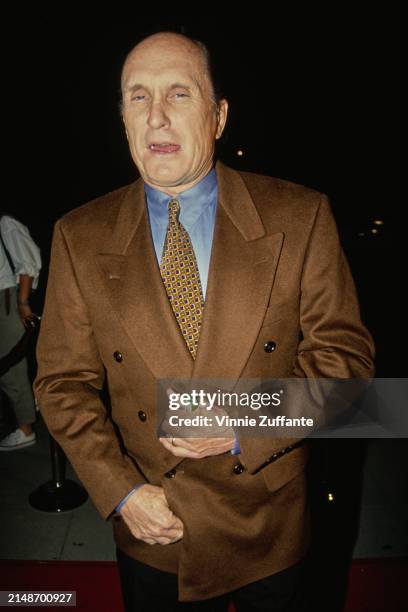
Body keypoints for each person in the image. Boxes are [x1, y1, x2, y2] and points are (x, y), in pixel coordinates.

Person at [34, 32, 375, 611]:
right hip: (155, 529)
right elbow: (61, 384)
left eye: (179, 94)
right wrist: (122, 493)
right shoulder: (78, 234)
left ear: (218, 116)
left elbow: (351, 373)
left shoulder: (301, 214)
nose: (157, 115)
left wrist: (240, 418)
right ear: (123, 120)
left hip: (270, 524)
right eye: (138, 97)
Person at [0, 212, 41, 450]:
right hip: (5, 299)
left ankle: (25, 429)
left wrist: (23, 303)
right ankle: (28, 409)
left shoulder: (5, 223)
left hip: (6, 298)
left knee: (11, 367)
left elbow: (28, 264)